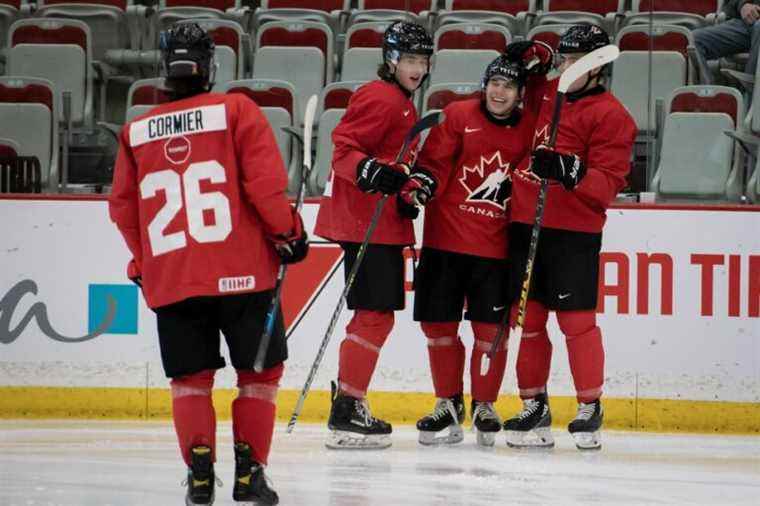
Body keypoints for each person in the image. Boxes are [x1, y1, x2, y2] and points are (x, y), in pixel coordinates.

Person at [109, 22, 308, 505]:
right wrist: (289, 234)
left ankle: (200, 475)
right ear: (209, 66)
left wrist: (145, 262)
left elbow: (122, 208)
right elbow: (263, 188)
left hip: (174, 279)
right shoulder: (237, 109)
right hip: (244, 275)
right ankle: (248, 475)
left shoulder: (136, 131)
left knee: (190, 380)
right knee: (259, 377)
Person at [502, 26, 637, 451]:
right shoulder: (549, 94)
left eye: (572, 60)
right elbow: (529, 75)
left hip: (573, 230)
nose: (564, 67)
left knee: (576, 322)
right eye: (563, 60)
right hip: (527, 221)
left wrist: (569, 170)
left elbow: (607, 184)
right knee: (529, 320)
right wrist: (528, 56)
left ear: (596, 67)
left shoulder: (614, 116)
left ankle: (589, 404)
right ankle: (533, 403)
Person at [409, 55, 547, 447]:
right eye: (494, 83)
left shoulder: (528, 130)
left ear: (521, 94)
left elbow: (525, 180)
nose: (499, 92)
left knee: (491, 333)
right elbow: (434, 161)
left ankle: (484, 404)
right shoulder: (457, 115)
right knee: (438, 328)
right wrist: (423, 184)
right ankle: (447, 403)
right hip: (444, 242)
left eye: (508, 86)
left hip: (495, 249)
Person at [313, 20, 434, 450]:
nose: (418, 68)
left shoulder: (401, 102)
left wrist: (405, 188)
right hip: (366, 222)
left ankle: (349, 402)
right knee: (374, 314)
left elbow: (388, 160)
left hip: (379, 221)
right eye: (411, 59)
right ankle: (347, 406)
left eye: (423, 60)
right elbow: (344, 149)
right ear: (392, 60)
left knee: (375, 313)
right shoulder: (381, 97)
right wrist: (370, 172)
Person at [694, 0, 760, 80]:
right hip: (745, 23)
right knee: (693, 39)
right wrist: (743, 5)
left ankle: (750, 89)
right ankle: (708, 90)